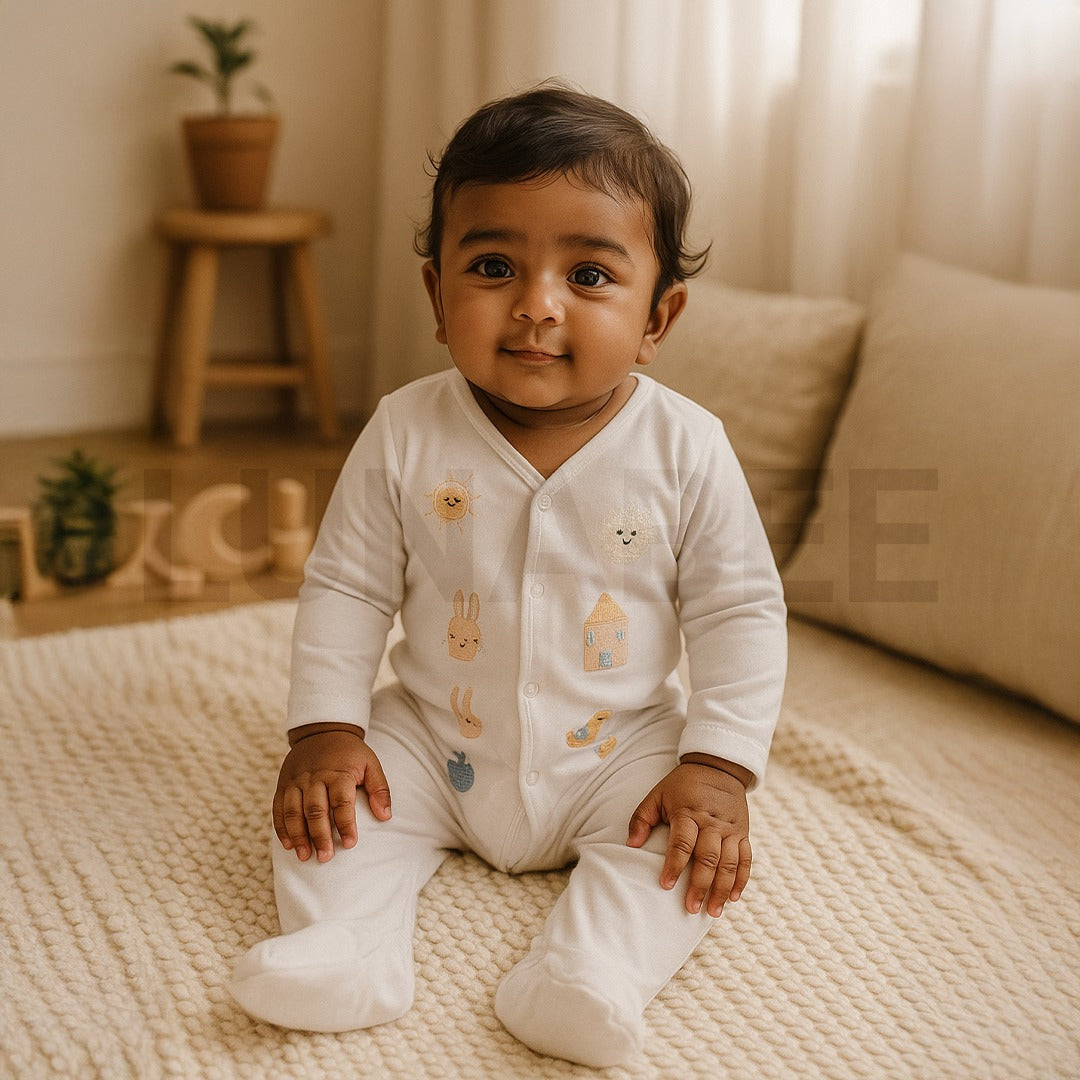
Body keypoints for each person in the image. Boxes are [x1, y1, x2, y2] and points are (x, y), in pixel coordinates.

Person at [230, 83, 787, 1068]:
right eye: (493, 266)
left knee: (687, 851)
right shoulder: (406, 430)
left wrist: (718, 765)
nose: (536, 305)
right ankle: (348, 948)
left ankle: (592, 973)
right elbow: (349, 588)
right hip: (436, 742)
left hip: (617, 750)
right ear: (437, 296)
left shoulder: (687, 448)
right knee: (328, 812)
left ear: (660, 317)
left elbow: (740, 607)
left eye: (588, 274)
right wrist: (325, 729)